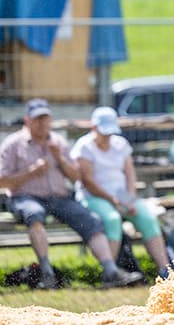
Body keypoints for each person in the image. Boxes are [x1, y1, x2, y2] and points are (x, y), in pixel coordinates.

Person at [0, 99, 144, 289]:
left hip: (59, 198)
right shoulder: (13, 144)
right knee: (34, 215)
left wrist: (59, 158)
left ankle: (111, 271)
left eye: (46, 119)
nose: (43, 123)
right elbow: (2, 181)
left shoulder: (58, 142)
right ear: (28, 120)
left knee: (90, 220)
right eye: (38, 119)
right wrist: (31, 173)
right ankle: (46, 272)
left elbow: (76, 176)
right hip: (26, 197)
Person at [70, 106, 172, 280]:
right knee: (112, 219)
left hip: (120, 193)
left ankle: (166, 271)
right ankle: (112, 273)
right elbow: (88, 181)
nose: (108, 136)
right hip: (93, 196)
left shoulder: (120, 143)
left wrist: (130, 199)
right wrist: (114, 201)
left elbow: (130, 174)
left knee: (147, 218)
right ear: (94, 127)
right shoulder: (84, 146)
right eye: (104, 132)